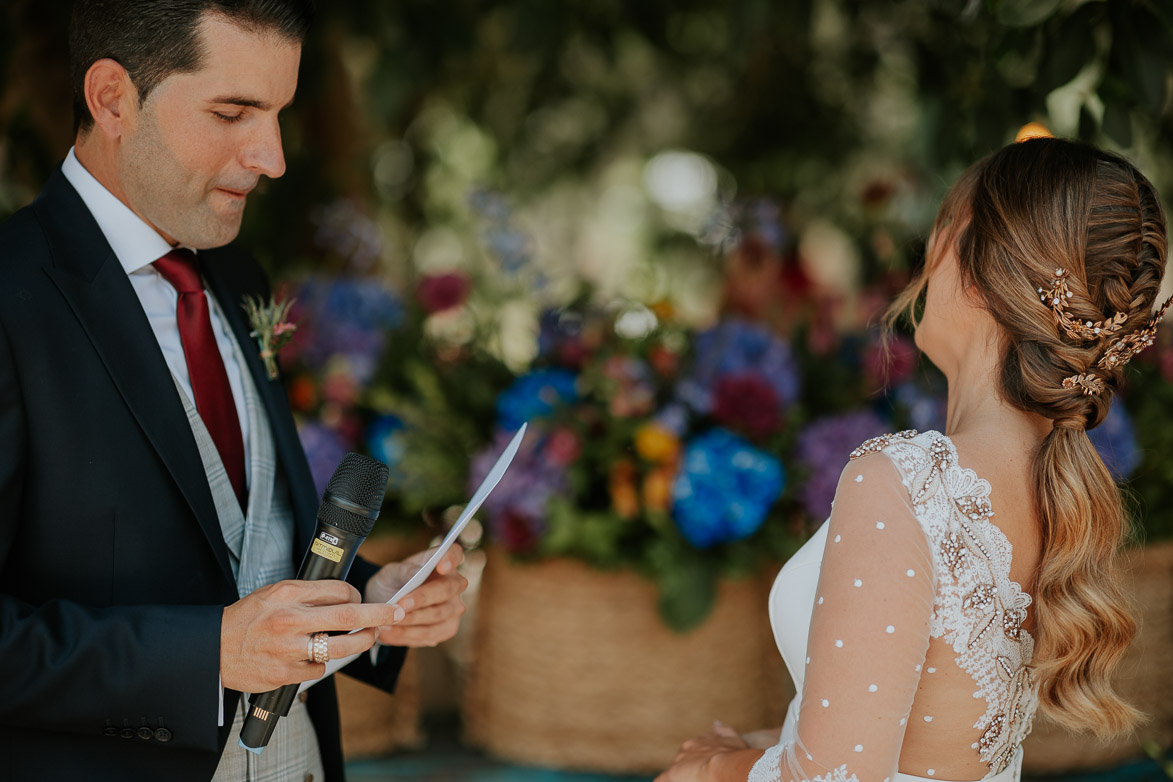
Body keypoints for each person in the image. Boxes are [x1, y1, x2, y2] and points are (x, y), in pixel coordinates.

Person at [0, 2, 468, 780]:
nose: (274, 157)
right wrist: (208, 654)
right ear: (113, 97)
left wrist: (365, 598)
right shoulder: (11, 296)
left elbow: (242, 543)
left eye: (278, 113)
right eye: (233, 111)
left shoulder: (236, 274)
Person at [657, 137, 1168, 782]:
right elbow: (921, 737)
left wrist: (705, 771)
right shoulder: (1053, 492)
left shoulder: (906, 486)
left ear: (972, 261)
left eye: (943, 227)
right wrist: (760, 745)